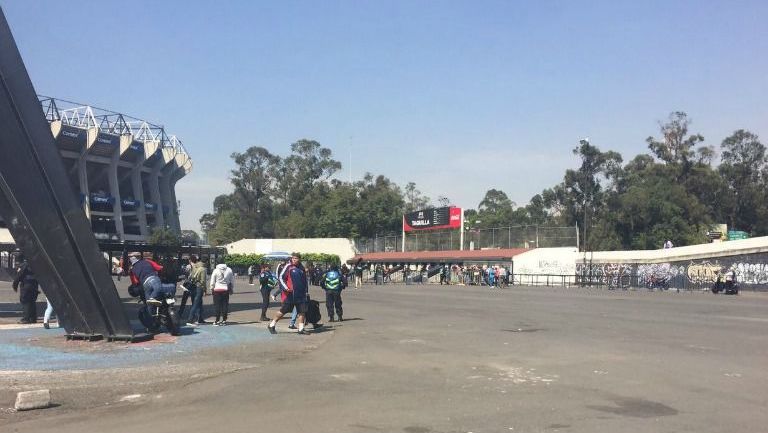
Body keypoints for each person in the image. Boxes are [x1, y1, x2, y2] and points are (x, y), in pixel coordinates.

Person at [268, 253, 310, 335]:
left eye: (296, 258)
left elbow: (304, 281)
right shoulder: (288, 266)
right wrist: (286, 287)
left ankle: (301, 329)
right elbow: (281, 277)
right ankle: (272, 324)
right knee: (283, 311)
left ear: (299, 259)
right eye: (293, 258)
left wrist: (306, 292)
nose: (294, 260)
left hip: (301, 295)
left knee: (302, 311)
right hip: (290, 294)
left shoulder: (301, 268)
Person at [12, 256, 39, 324]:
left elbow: (19, 276)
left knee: (25, 301)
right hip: (34, 285)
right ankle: (33, 318)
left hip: (26, 285)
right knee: (32, 301)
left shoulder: (24, 265)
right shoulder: (36, 264)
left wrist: (15, 285)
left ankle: (26, 318)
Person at [185, 255, 209, 326]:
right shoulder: (203, 269)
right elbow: (203, 281)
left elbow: (191, 275)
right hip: (199, 287)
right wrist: (205, 290)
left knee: (199, 303)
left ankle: (200, 319)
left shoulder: (195, 266)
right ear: (207, 262)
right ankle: (190, 320)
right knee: (196, 304)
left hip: (193, 286)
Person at [209, 260, 234, 326]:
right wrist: (231, 288)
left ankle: (217, 320)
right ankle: (224, 320)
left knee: (217, 305)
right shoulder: (229, 270)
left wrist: (212, 288)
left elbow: (212, 281)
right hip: (225, 290)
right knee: (225, 305)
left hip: (217, 290)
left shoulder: (215, 270)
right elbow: (232, 280)